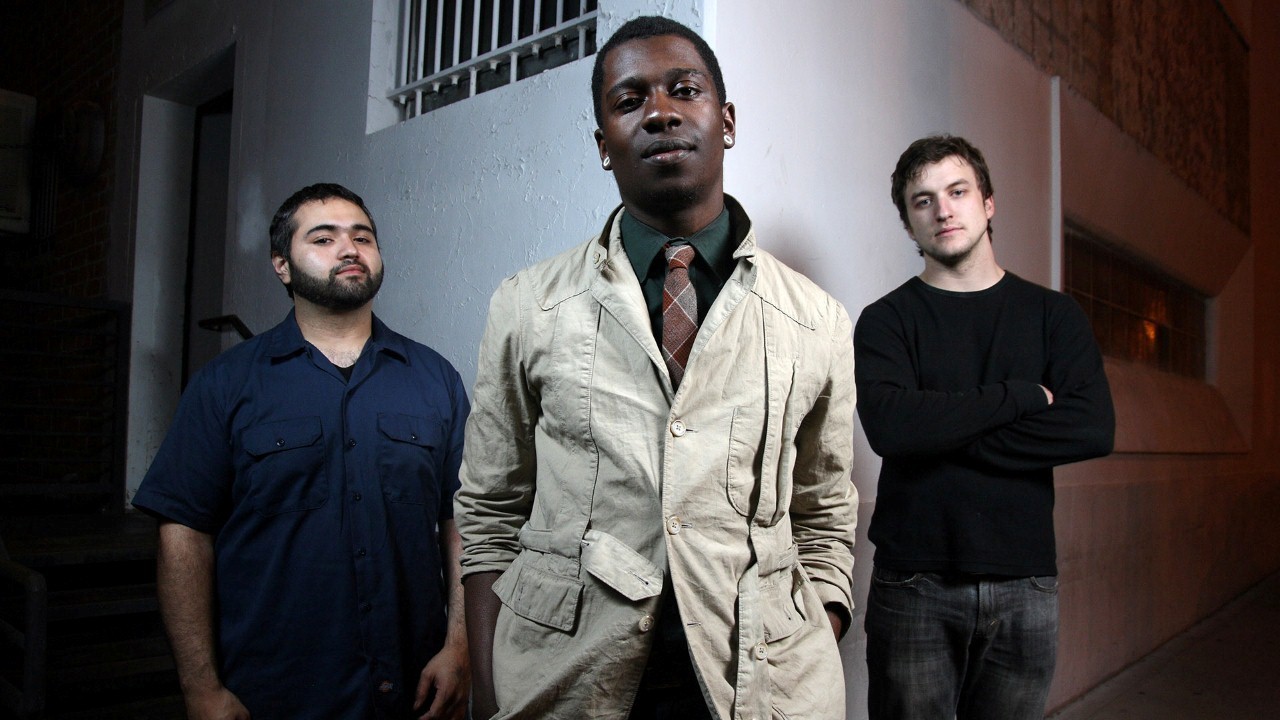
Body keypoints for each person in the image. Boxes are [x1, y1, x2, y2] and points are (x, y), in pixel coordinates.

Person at [454, 15, 857, 720]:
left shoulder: (816, 318)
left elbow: (823, 511)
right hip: (569, 681)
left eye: (684, 90)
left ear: (726, 122)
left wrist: (816, 628)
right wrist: (490, 688)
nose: (660, 112)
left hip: (759, 684)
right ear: (603, 145)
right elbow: (491, 510)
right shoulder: (527, 304)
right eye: (630, 99)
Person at [132, 183, 470, 720]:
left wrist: (460, 645)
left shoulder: (436, 379)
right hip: (275, 691)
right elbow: (184, 533)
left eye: (363, 237)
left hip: (413, 688)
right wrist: (200, 687)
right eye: (323, 238)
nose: (349, 248)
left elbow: (464, 519)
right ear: (282, 266)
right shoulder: (226, 384)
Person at [854, 135, 1115, 720]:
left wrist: (939, 432)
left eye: (957, 192)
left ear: (988, 203)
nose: (942, 210)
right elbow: (892, 430)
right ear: (908, 223)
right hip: (915, 581)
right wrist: (1019, 397)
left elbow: (1092, 427)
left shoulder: (1053, 315)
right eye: (923, 201)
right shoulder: (886, 321)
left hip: (1024, 582)